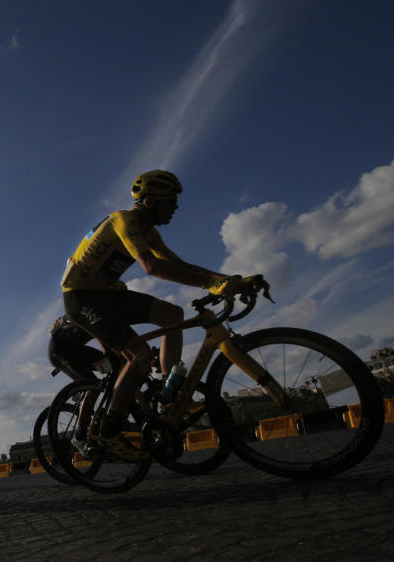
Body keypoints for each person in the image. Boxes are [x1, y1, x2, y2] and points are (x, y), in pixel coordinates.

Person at [60, 170, 252, 461]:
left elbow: (177, 264)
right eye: (171, 202)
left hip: (107, 295)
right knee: (138, 354)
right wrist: (211, 283)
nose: (175, 208)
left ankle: (167, 392)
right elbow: (151, 267)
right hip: (80, 297)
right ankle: (109, 430)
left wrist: (229, 279)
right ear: (149, 201)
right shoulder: (123, 221)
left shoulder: (148, 230)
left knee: (173, 313)